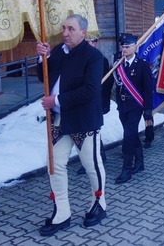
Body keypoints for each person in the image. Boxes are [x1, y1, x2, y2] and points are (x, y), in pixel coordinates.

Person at [35, 14, 106, 236]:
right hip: (59, 121)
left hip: (83, 121)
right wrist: (42, 58)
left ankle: (99, 204)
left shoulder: (93, 56)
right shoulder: (57, 51)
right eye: (64, 28)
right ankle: (62, 212)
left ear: (83, 33)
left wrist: (55, 101)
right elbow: (42, 76)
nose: (65, 33)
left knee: (91, 164)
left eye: (71, 29)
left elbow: (90, 90)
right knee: (54, 164)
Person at [113, 33, 153, 184]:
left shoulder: (142, 64)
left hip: (136, 106)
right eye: (123, 46)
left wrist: (148, 109)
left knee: (128, 136)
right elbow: (117, 87)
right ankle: (140, 162)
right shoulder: (118, 64)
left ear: (135, 47)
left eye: (127, 46)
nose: (124, 49)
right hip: (123, 106)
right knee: (132, 134)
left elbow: (148, 89)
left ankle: (126, 170)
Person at [75, 36, 113, 175]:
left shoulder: (100, 59)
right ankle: (96, 157)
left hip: (95, 101)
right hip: (84, 101)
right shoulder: (81, 58)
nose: (89, 44)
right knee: (89, 131)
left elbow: (106, 84)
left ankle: (93, 160)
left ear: (95, 44)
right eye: (87, 42)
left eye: (91, 42)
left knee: (91, 131)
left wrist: (104, 103)